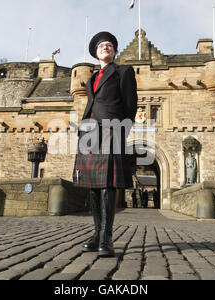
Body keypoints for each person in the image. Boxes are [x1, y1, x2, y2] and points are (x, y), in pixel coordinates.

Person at [73, 32, 138, 258]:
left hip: (111, 129)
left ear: (114, 51)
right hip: (89, 131)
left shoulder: (123, 72)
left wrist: (122, 131)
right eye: (101, 45)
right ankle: (96, 233)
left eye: (109, 45)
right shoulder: (91, 78)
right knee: (92, 185)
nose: (105, 47)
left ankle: (106, 237)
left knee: (108, 185)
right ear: (96, 52)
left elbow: (131, 105)